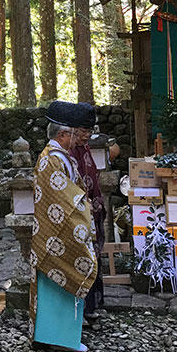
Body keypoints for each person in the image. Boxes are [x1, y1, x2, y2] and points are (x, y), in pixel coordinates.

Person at [29, 101, 98, 352]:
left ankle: (57, 337)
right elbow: (62, 200)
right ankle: (58, 339)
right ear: (63, 134)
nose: (80, 140)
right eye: (76, 134)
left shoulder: (57, 157)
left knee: (58, 289)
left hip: (54, 233)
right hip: (55, 235)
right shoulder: (52, 160)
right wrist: (84, 207)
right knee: (56, 290)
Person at [68, 103, 106, 319]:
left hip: (94, 209)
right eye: (83, 132)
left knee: (94, 258)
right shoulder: (69, 151)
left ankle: (93, 305)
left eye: (89, 132)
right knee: (84, 260)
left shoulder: (86, 148)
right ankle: (83, 310)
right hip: (81, 212)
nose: (86, 136)